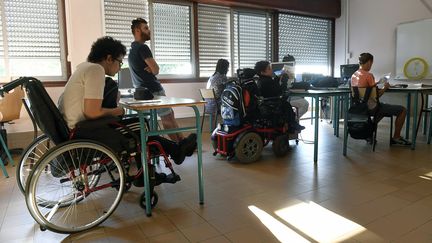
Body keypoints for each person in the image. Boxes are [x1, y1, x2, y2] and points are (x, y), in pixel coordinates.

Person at [58, 36, 197, 186]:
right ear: (109, 58)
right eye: (119, 62)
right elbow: (92, 112)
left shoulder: (83, 68)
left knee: (138, 125)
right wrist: (117, 111)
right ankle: (174, 153)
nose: (120, 67)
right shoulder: (95, 70)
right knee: (140, 126)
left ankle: (156, 165)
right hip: (85, 130)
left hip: (76, 128)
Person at [128, 18, 185, 142]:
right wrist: (153, 68)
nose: (149, 31)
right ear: (137, 30)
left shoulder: (132, 50)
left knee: (170, 114)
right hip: (153, 90)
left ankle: (183, 141)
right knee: (167, 117)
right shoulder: (142, 48)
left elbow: (151, 69)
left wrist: (151, 68)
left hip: (142, 92)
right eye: (146, 28)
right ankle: (179, 145)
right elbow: (156, 70)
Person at [351, 52, 411, 146]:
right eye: (371, 63)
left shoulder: (354, 75)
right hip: (372, 108)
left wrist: (377, 83)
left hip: (360, 107)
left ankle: (368, 133)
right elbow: (377, 95)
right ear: (369, 62)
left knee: (383, 110)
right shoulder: (368, 75)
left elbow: (367, 89)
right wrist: (385, 88)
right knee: (402, 110)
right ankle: (396, 137)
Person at [254, 60, 305, 132]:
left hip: (267, 103)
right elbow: (280, 91)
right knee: (289, 104)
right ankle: (292, 124)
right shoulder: (267, 82)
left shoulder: (262, 80)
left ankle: (292, 123)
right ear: (262, 72)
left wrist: (277, 78)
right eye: (269, 68)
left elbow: (274, 87)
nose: (271, 70)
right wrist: (284, 81)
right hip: (273, 104)